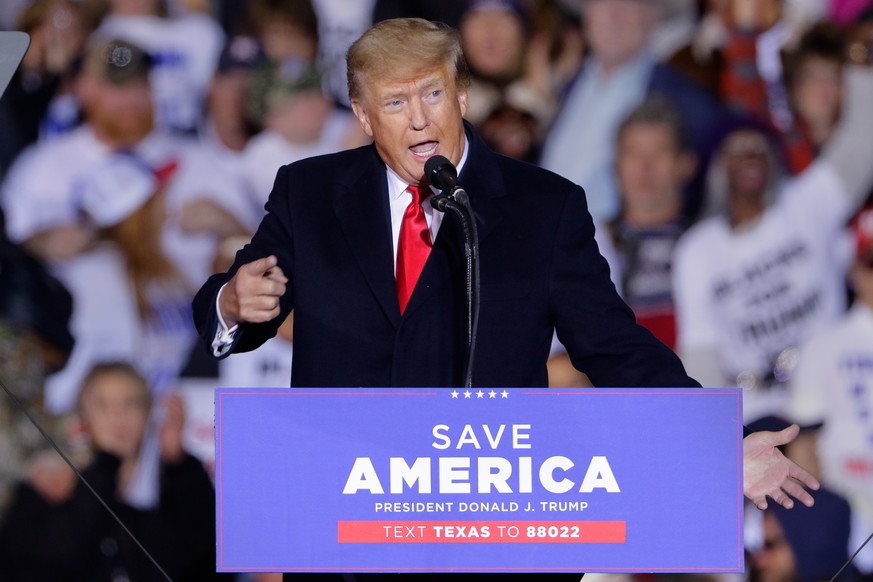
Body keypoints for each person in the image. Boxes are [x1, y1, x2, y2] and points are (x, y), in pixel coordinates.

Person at [192, 17, 820, 579]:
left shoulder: (542, 208)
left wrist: (715, 442)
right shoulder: (309, 193)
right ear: (362, 115)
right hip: (343, 533)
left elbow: (615, 347)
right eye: (394, 101)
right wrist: (231, 302)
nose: (419, 118)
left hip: (488, 535)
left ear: (461, 94)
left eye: (433, 93)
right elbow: (237, 305)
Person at [0, 361, 222, 581]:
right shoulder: (42, 494)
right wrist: (106, 464)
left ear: (148, 418)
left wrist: (179, 463)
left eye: (130, 403)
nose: (117, 415)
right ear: (81, 420)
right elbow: (48, 562)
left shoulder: (150, 516)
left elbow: (205, 560)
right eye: (102, 404)